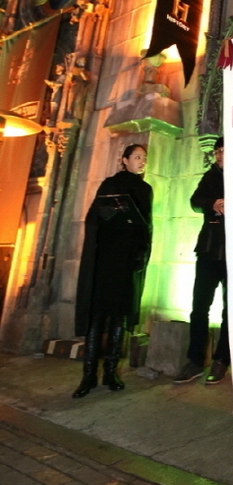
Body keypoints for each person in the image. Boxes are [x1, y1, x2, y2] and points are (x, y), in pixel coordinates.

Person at [73, 144, 153, 399]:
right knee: (97, 318)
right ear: (124, 160)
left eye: (144, 158)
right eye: (137, 157)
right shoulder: (109, 184)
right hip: (105, 259)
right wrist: (111, 213)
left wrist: (141, 252)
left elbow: (146, 225)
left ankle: (110, 372)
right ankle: (88, 376)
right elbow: (93, 217)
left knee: (119, 317)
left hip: (126, 260)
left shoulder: (146, 189)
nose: (142, 162)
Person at [173, 136, 230, 385]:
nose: (219, 155)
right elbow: (195, 202)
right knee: (199, 307)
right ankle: (196, 360)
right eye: (217, 151)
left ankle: (222, 359)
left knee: (232, 310)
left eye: (224, 151)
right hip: (208, 249)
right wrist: (213, 204)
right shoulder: (210, 176)